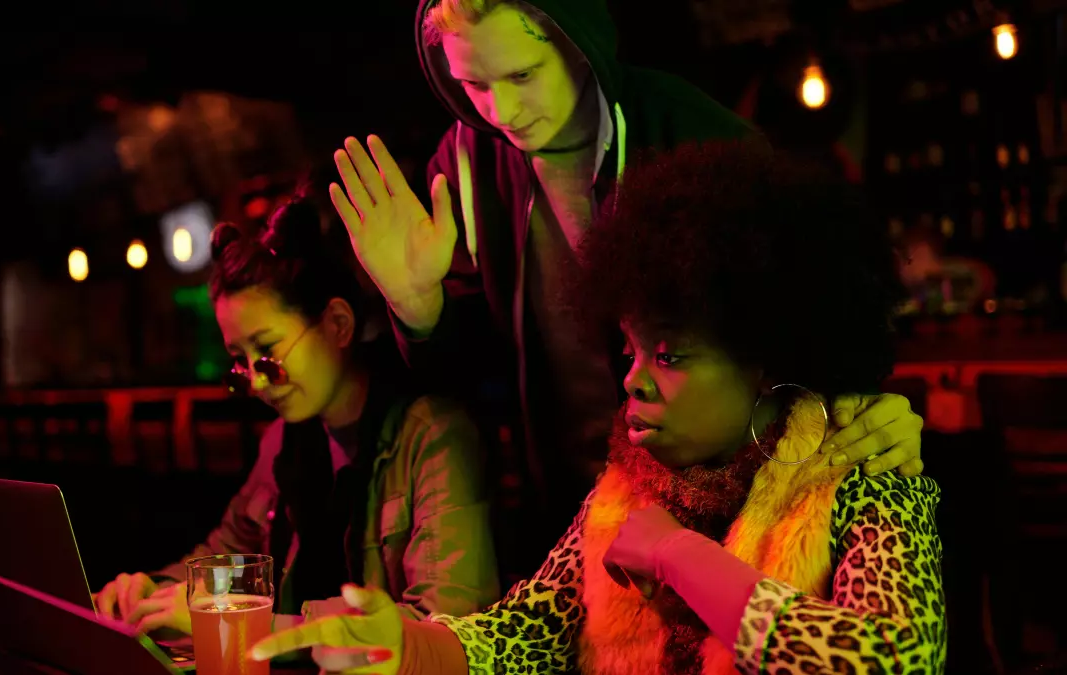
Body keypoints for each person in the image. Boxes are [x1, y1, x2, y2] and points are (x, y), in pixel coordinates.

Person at [249, 141, 947, 674]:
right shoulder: (628, 482)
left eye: (669, 356)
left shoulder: (866, 470)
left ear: (762, 362)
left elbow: (894, 658)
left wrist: (681, 558)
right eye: (630, 352)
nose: (635, 383)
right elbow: (522, 634)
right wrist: (405, 645)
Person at [327, 0, 925, 558]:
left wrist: (857, 405)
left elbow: (814, 318)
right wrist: (418, 307)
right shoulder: (463, 164)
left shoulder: (695, 133)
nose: (500, 112)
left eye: (523, 76)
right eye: (474, 85)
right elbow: (472, 382)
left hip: (723, 514)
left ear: (578, 42)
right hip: (564, 518)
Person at [93, 193, 500, 635]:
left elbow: (445, 629)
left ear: (338, 324)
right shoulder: (287, 442)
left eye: (267, 353)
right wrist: (147, 592)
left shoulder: (433, 434)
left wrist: (242, 624)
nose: (257, 381)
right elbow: (224, 558)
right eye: (240, 364)